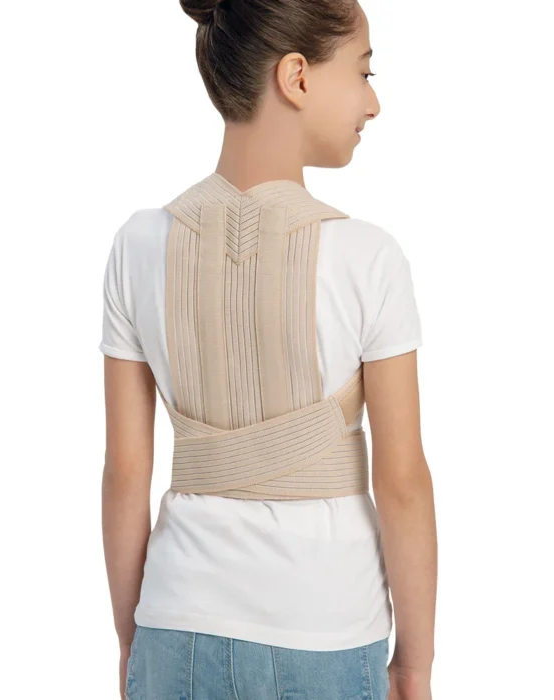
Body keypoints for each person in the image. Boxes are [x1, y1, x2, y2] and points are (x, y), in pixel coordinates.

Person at [99, 1, 437, 698]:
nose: (373, 104)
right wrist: (415, 663)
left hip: (175, 625)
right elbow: (402, 483)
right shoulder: (367, 258)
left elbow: (126, 473)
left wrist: (133, 641)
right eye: (364, 73)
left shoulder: (138, 246)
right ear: (297, 77)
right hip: (326, 627)